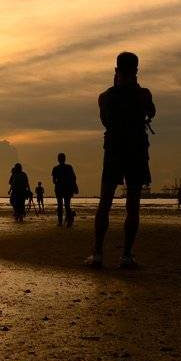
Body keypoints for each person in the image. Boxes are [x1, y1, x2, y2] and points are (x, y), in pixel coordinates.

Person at [89, 52, 156, 269]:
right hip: (137, 151)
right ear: (136, 71)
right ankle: (126, 255)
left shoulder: (106, 97)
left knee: (105, 203)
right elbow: (151, 112)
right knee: (133, 206)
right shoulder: (144, 94)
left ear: (116, 70)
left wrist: (117, 85)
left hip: (114, 151)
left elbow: (106, 121)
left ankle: (98, 254)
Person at [52, 153, 78, 227]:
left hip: (59, 189)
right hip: (68, 189)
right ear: (64, 159)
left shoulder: (55, 168)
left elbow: (54, 181)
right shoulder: (69, 167)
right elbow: (74, 178)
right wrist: (74, 186)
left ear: (58, 159)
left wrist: (59, 182)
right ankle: (69, 220)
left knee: (60, 205)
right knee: (67, 205)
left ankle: (60, 222)